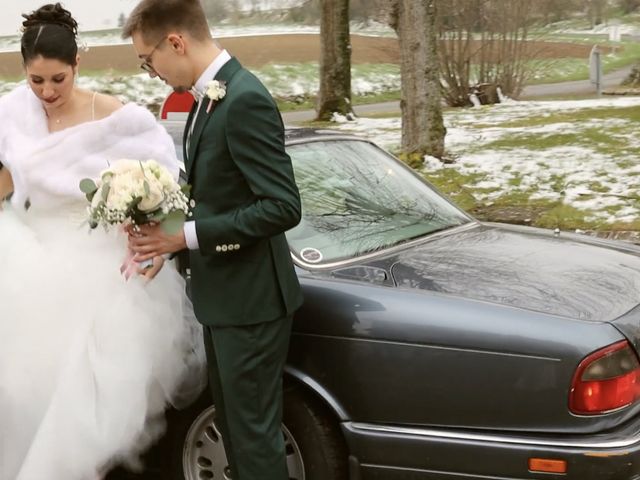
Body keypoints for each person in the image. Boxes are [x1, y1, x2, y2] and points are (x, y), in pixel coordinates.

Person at [0, 3, 205, 479]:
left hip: (95, 269)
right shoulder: (11, 113)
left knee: (82, 405)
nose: (47, 92)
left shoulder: (116, 118)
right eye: (37, 81)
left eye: (58, 79)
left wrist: (146, 222)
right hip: (27, 263)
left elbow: (166, 183)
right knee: (22, 394)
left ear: (77, 66)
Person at [123, 1, 304, 478]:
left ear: (176, 42)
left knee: (253, 436)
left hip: (253, 305)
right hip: (226, 301)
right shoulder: (208, 98)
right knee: (235, 430)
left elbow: (282, 206)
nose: (151, 71)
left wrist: (184, 237)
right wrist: (165, 236)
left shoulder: (243, 98)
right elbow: (216, 194)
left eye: (148, 59)